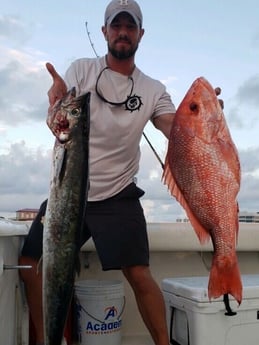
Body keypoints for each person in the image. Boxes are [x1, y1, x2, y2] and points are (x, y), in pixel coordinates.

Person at [19, 1, 222, 344]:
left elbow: (172, 127)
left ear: (140, 34)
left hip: (117, 194)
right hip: (69, 194)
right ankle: (42, 339)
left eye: (130, 27)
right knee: (29, 261)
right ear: (105, 32)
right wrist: (53, 105)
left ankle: (162, 342)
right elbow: (59, 121)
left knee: (139, 273)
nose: (123, 33)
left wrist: (198, 118)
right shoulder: (82, 70)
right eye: (116, 26)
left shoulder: (152, 89)